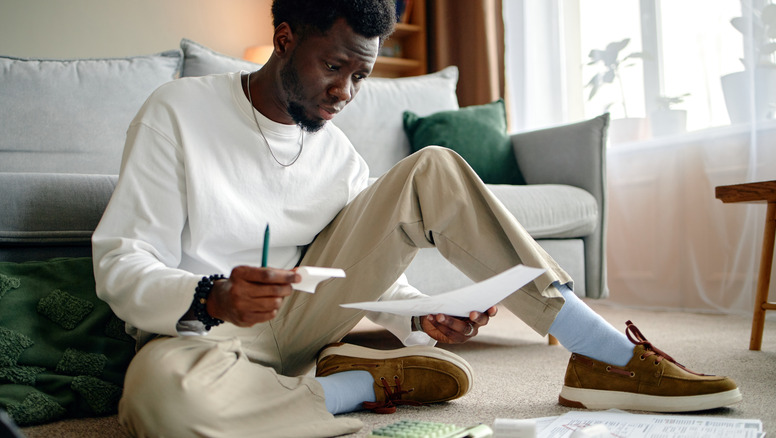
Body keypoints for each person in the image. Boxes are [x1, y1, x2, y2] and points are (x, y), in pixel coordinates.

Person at [92, 0, 741, 436]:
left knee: (432, 166)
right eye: (333, 65)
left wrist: (419, 313)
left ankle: (606, 354)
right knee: (155, 397)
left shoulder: (339, 155)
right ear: (285, 40)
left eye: (361, 74)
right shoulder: (176, 112)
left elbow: (362, 271)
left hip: (304, 320)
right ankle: (351, 390)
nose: (345, 91)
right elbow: (121, 260)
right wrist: (216, 296)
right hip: (207, 331)